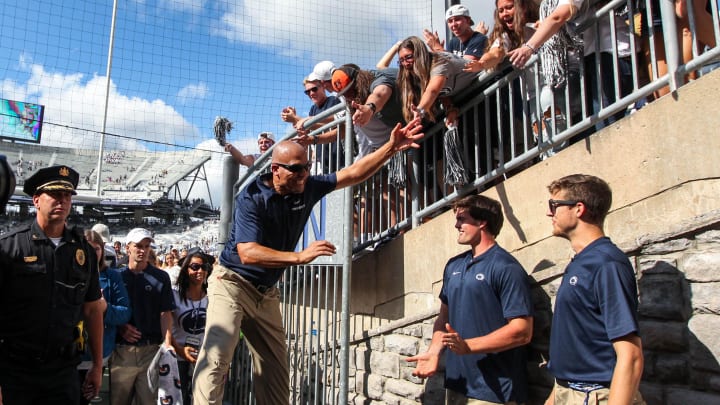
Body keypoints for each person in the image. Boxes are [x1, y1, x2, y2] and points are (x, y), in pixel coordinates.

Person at [192, 119, 424, 404]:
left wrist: (391, 147)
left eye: (307, 167)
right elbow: (248, 252)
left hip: (265, 294)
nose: (304, 175)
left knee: (276, 373)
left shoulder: (308, 186)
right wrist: (299, 257)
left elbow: (352, 173)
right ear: (275, 170)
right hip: (232, 285)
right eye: (296, 169)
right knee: (216, 358)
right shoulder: (252, 198)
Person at [406, 194, 533, 404]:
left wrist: (469, 346)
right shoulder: (453, 265)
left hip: (495, 392)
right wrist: (434, 352)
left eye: (462, 219)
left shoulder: (506, 267)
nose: (456, 225)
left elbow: (522, 331)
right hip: (458, 385)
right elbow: (443, 318)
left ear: (482, 222)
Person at [0, 165, 105, 403]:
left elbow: (92, 309)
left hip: (63, 371)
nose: (62, 200)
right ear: (36, 200)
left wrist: (97, 365)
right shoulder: (9, 247)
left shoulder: (84, 251)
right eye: (55, 194)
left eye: (67, 195)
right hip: (15, 371)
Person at [544, 174, 645, 404]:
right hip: (567, 391)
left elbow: (630, 355)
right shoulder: (581, 262)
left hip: (594, 395)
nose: (550, 213)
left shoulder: (606, 263)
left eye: (554, 205)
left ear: (578, 209)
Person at [112, 227, 175, 405]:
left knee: (148, 401)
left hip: (151, 350)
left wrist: (167, 342)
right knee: (118, 400)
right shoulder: (117, 276)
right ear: (128, 248)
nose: (143, 250)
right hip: (122, 350)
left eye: (147, 246)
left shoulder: (161, 277)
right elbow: (107, 311)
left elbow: (166, 312)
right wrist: (121, 326)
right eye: (139, 246)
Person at [78, 229, 132, 405]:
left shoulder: (112, 277)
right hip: (67, 355)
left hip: (98, 355)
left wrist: (105, 309)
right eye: (87, 248)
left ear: (102, 250)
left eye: (96, 249)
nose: (92, 253)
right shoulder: (67, 274)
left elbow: (125, 312)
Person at [171, 248, 214, 405]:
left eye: (204, 267)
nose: (200, 271)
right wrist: (180, 350)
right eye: (195, 267)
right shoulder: (174, 294)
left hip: (204, 357)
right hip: (178, 357)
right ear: (185, 270)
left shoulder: (213, 295)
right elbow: (167, 329)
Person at [282, 78, 344, 174]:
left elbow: (330, 125)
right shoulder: (313, 109)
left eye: (314, 89)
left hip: (339, 158)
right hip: (323, 162)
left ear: (323, 87)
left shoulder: (333, 101)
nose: (311, 93)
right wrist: (295, 122)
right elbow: (307, 130)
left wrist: (295, 118)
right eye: (307, 92)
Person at [424, 4, 489, 61]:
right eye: (450, 21)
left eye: (457, 19)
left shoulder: (479, 39)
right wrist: (437, 53)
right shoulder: (454, 42)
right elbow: (448, 66)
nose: (453, 24)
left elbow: (466, 67)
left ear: (468, 20)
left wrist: (438, 49)